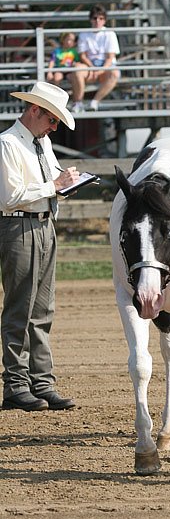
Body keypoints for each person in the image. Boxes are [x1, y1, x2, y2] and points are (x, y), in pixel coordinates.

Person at [0, 82, 80, 412]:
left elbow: (52, 181)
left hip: (44, 223)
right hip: (18, 224)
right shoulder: (7, 144)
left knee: (43, 308)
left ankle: (40, 380)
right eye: (52, 120)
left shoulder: (39, 142)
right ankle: (17, 384)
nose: (53, 127)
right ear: (35, 110)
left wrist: (66, 184)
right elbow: (9, 196)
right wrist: (54, 185)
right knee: (21, 306)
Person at [69, 4, 120, 112]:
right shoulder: (84, 34)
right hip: (89, 66)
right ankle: (78, 103)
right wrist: (92, 68)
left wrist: (101, 70)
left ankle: (95, 101)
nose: (97, 21)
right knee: (77, 70)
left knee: (115, 73)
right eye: (95, 18)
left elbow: (110, 57)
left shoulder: (110, 34)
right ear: (90, 19)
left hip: (105, 66)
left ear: (104, 20)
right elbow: (83, 56)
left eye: (101, 18)